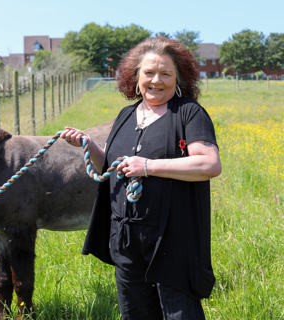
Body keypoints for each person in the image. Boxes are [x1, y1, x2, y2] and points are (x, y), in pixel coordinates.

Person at [60, 37, 222, 320]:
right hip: (126, 239)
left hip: (172, 239)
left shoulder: (188, 113)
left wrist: (148, 166)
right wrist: (89, 145)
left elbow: (209, 164)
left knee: (179, 315)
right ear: (135, 77)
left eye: (165, 73)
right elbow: (111, 167)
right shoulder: (125, 115)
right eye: (148, 72)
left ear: (178, 78)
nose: (156, 80)